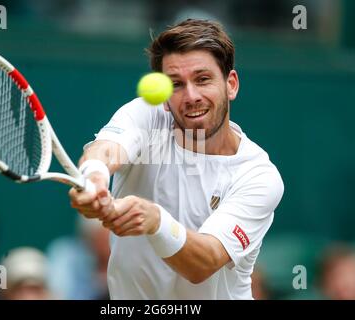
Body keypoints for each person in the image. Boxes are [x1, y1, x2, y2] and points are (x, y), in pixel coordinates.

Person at [69, 19, 284, 299]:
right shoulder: (148, 114)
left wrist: (156, 221)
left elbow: (203, 263)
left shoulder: (258, 176)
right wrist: (95, 177)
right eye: (176, 84)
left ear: (231, 85)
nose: (191, 96)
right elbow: (107, 149)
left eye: (203, 79)